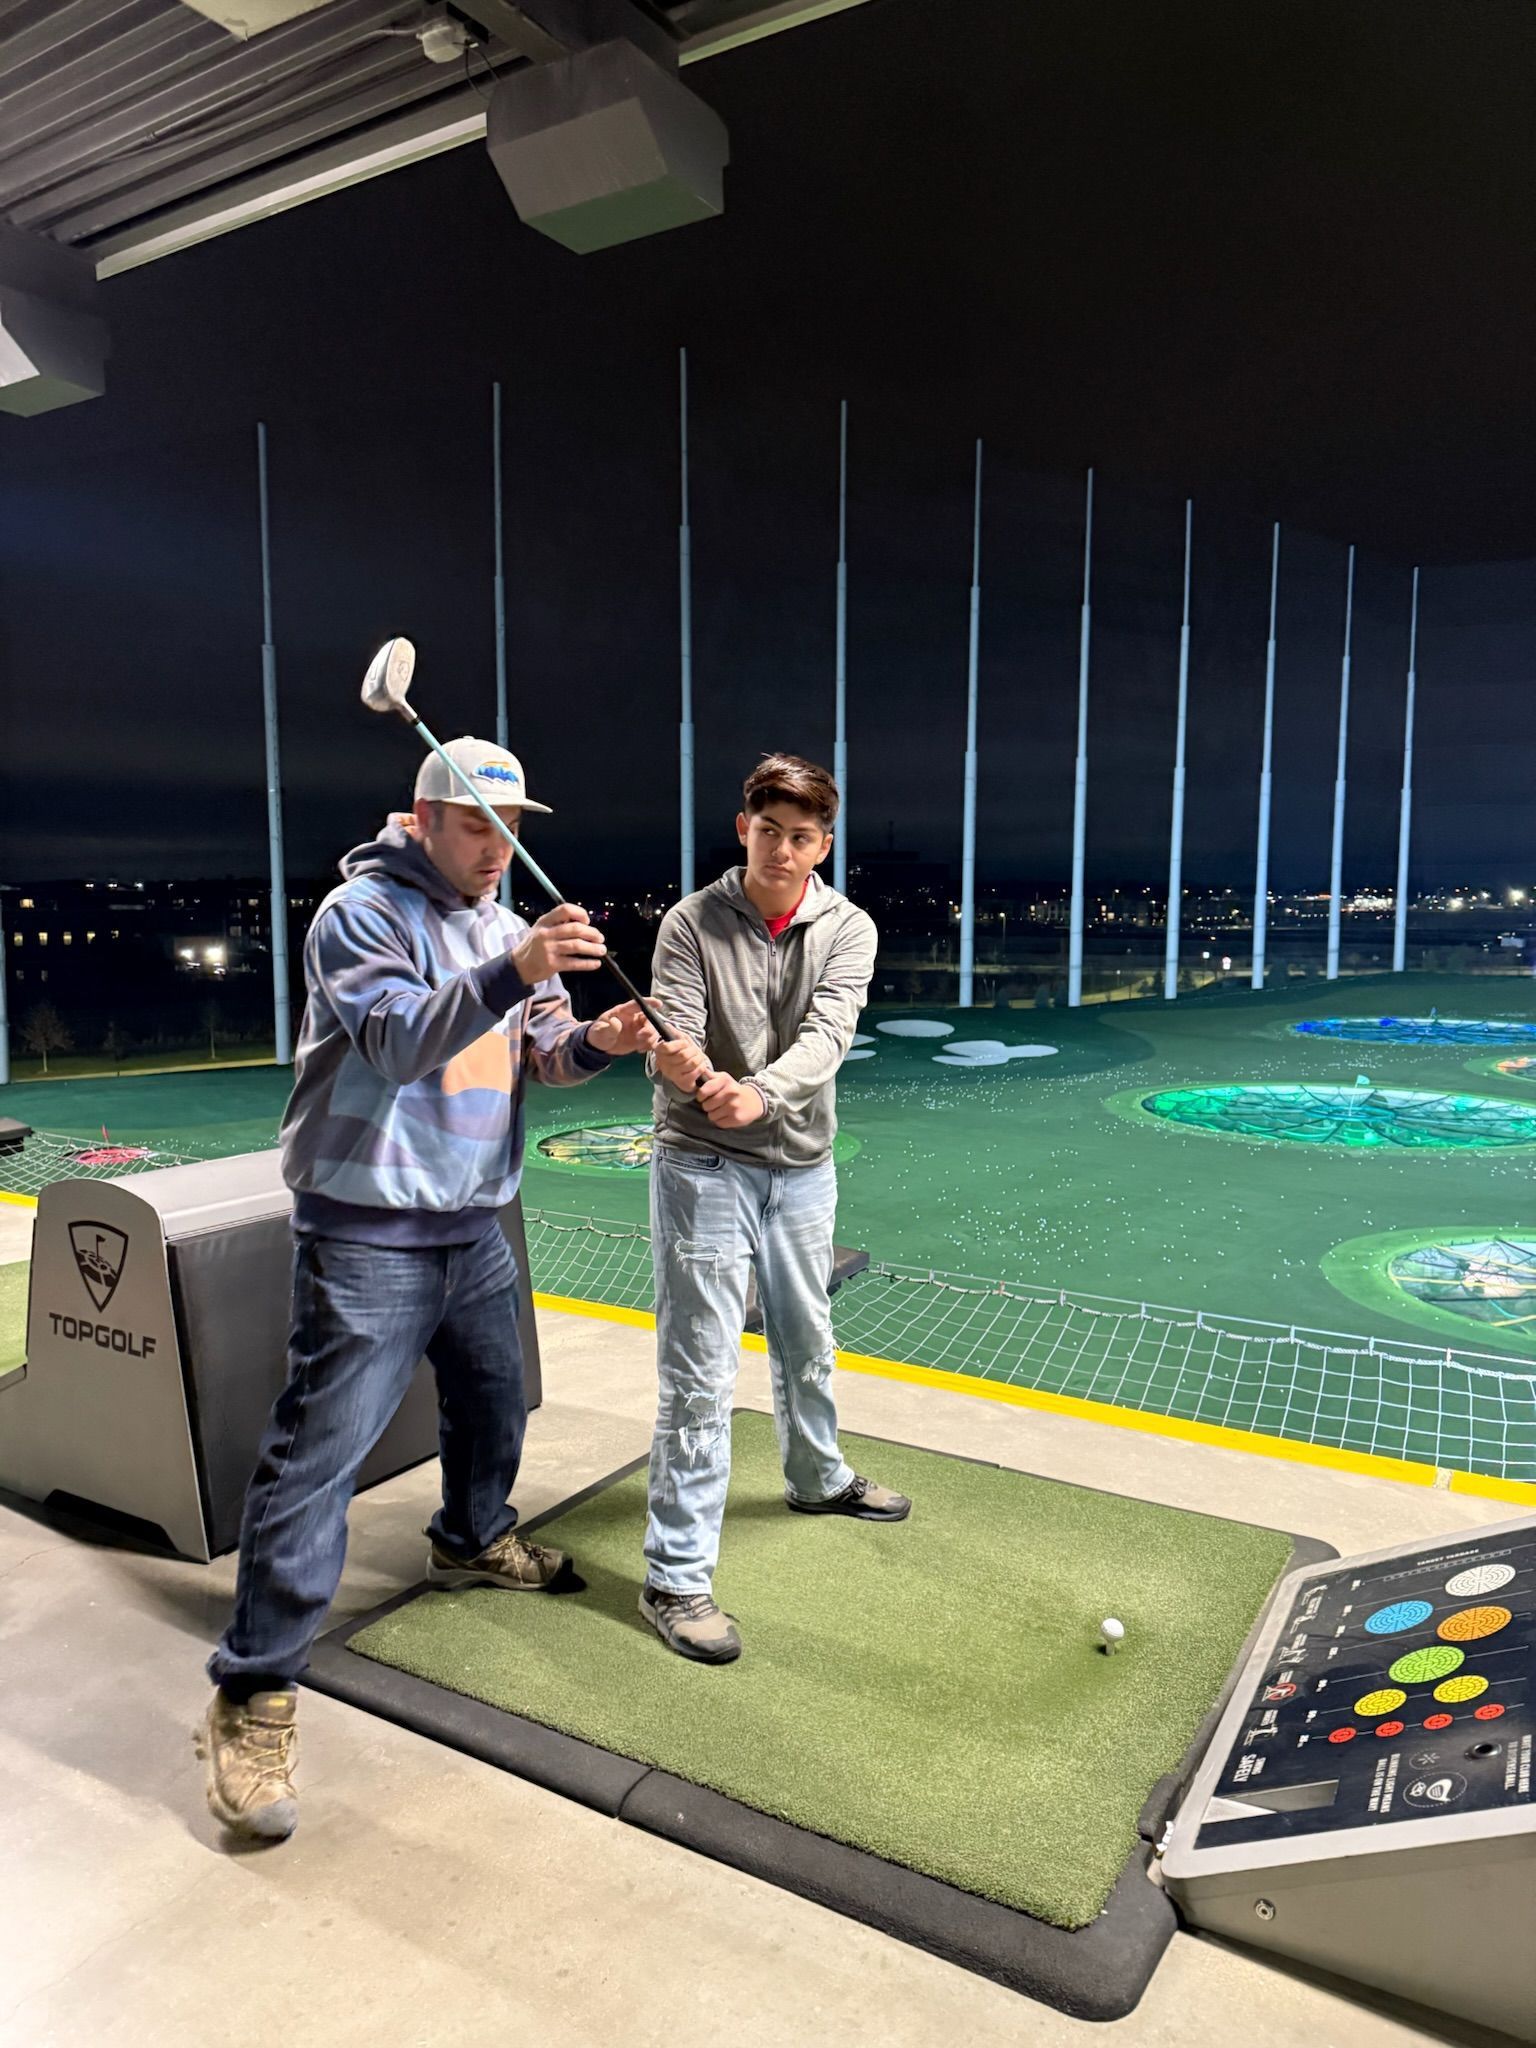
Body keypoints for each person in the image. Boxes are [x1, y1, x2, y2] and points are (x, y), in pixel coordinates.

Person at [196, 737, 651, 1837]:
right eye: (475, 827)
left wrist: (597, 1034)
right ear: (423, 815)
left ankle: (468, 1534)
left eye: (509, 830)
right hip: (366, 1231)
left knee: (496, 1401)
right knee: (318, 1456)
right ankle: (252, 1689)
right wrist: (520, 968)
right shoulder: (358, 913)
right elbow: (400, 1040)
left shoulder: (502, 923)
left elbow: (540, 1052)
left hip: (473, 1220)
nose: (497, 850)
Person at [637, 753, 910, 1664]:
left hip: (800, 1165)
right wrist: (676, 1062)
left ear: (822, 843)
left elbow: (830, 1034)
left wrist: (757, 1093)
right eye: (769, 831)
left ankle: (817, 1477)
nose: (784, 850)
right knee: (701, 1370)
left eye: (802, 836)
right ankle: (675, 1576)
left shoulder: (850, 927)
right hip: (701, 1167)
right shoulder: (690, 922)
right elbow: (670, 1026)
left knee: (808, 1337)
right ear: (742, 828)